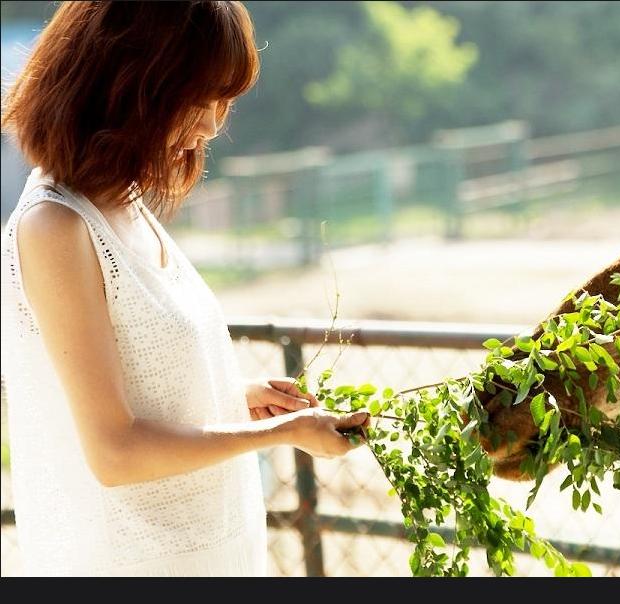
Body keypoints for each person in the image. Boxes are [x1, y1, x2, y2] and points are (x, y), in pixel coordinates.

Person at [0, 1, 369, 577]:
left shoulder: (124, 204)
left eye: (224, 100)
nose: (212, 125)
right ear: (128, 79)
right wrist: (284, 431)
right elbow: (114, 451)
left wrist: (236, 394)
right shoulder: (55, 227)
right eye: (200, 97)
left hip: (213, 551)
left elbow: (138, 381)